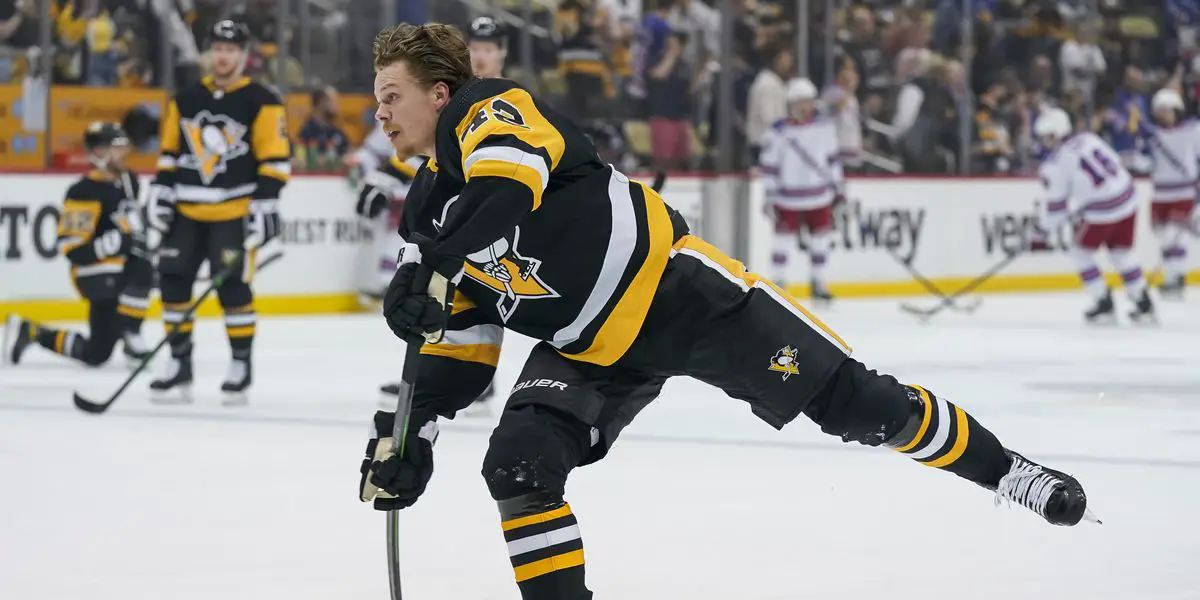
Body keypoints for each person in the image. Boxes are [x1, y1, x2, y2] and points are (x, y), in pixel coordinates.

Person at [358, 24, 1097, 600]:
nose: (380, 112)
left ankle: (1007, 472)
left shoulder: (494, 110)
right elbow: (461, 342)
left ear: (442, 93)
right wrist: (412, 435)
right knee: (518, 467)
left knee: (862, 406)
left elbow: (510, 185)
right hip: (584, 347)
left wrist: (431, 260)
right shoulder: (426, 212)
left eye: (392, 94)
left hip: (683, 296)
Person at [363, 15, 509, 413]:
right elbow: (427, 151)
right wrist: (382, 178)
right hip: (457, 208)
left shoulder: (508, 103)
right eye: (474, 48)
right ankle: (447, 373)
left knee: (479, 289)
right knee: (441, 291)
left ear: (501, 54)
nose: (480, 56)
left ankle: (470, 377)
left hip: (494, 217)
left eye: (488, 49)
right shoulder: (443, 102)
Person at [145, 20, 291, 404]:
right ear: (210, 53)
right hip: (185, 211)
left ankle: (240, 364)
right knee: (173, 282)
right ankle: (179, 362)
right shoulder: (186, 98)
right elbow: (169, 153)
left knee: (232, 286)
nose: (223, 56)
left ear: (243, 56)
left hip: (234, 211)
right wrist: (160, 190)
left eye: (231, 50)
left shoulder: (262, 99)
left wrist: (266, 204)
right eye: (218, 49)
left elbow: (274, 160)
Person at [3, 122, 152, 368]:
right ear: (98, 152)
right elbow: (74, 250)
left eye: (124, 146)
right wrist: (118, 241)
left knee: (97, 354)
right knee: (140, 268)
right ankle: (130, 332)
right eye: (117, 148)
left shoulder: (130, 182)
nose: (124, 153)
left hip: (120, 268)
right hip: (94, 272)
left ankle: (33, 332)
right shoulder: (83, 191)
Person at [1030, 107, 1155, 323]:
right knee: (1121, 253)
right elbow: (1113, 164)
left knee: (1079, 252)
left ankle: (1103, 302)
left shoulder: (1056, 163)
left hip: (1102, 211)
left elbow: (1056, 210)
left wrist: (1039, 233)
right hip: (1127, 199)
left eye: (1047, 137)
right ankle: (1144, 303)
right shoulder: (1088, 138)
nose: (1044, 142)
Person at [759, 77, 844, 303]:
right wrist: (769, 196)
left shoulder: (824, 127)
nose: (805, 106)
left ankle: (818, 282)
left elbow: (833, 160)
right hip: (788, 197)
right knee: (782, 242)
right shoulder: (777, 132)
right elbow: (769, 167)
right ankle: (777, 284)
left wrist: (839, 188)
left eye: (808, 101)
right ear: (791, 104)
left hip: (819, 195)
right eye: (800, 102)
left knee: (820, 240)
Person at [1145, 88, 1198, 299]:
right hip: (1159, 193)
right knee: (1163, 237)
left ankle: (1175, 277)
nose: (1162, 114)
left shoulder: (1193, 130)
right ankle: (1172, 276)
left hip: (1183, 190)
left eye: (1166, 110)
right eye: (1159, 110)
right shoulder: (1151, 134)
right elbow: (1147, 161)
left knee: (1174, 235)